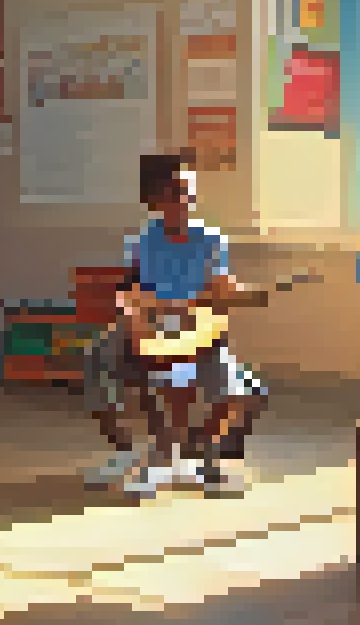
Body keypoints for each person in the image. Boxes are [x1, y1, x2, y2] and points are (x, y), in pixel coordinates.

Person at [84, 153, 272, 499]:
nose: (184, 201)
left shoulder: (212, 239)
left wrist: (239, 294)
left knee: (240, 393)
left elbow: (221, 288)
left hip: (198, 333)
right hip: (150, 327)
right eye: (175, 193)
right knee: (99, 357)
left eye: (189, 192)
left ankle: (196, 452)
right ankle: (126, 451)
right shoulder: (141, 241)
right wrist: (138, 321)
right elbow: (129, 293)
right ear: (158, 200)